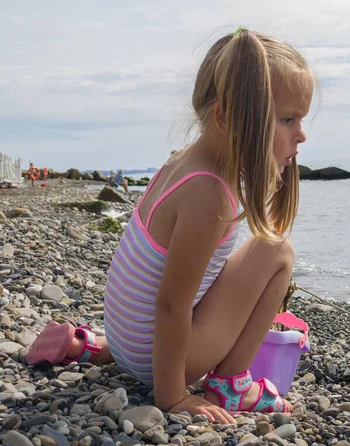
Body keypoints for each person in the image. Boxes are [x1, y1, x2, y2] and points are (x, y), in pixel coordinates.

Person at [26, 29, 313, 423]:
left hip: (128, 341)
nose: (302, 134)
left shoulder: (184, 162)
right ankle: (232, 383)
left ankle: (91, 346)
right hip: (153, 359)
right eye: (288, 119)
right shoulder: (209, 195)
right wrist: (173, 396)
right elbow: (171, 305)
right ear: (227, 119)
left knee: (234, 261)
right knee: (277, 252)